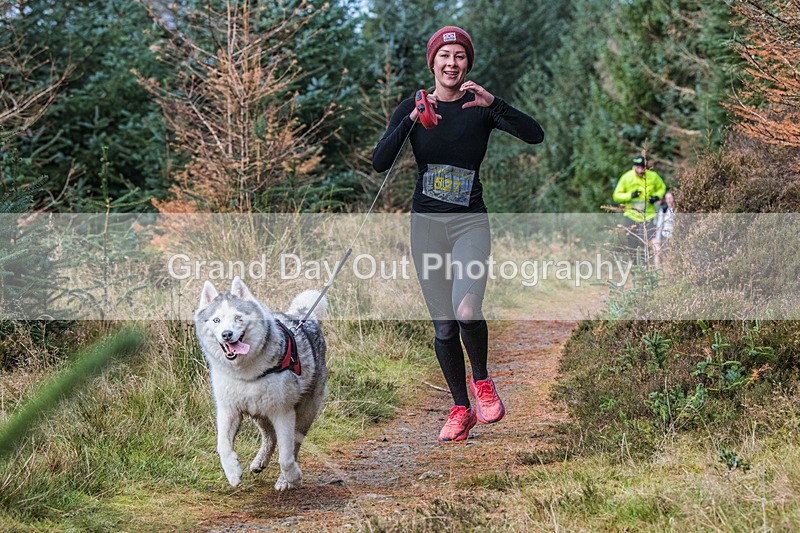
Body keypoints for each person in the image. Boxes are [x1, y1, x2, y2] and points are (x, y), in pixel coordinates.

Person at [372, 26, 544, 442]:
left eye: (460, 57)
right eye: (445, 56)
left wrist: (495, 103)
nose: (452, 64)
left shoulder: (479, 107)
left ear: (468, 63)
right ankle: (460, 408)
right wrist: (412, 117)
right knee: (445, 325)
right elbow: (380, 162)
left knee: (466, 311)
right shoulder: (412, 107)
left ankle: (482, 382)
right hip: (426, 228)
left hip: (470, 223)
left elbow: (534, 134)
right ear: (432, 62)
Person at [612, 155, 667, 263]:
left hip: (649, 216)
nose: (641, 170)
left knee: (646, 244)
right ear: (634, 167)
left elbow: (662, 188)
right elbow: (616, 196)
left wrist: (656, 196)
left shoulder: (653, 176)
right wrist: (629, 195)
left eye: (643, 168)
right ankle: (635, 268)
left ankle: (648, 267)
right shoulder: (626, 177)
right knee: (632, 244)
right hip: (631, 216)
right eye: (638, 168)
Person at [653, 189, 676, 268]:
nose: (669, 200)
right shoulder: (663, 210)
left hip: (675, 236)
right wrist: (657, 238)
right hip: (665, 236)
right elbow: (659, 225)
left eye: (670, 198)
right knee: (663, 255)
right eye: (667, 198)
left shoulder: (678, 210)